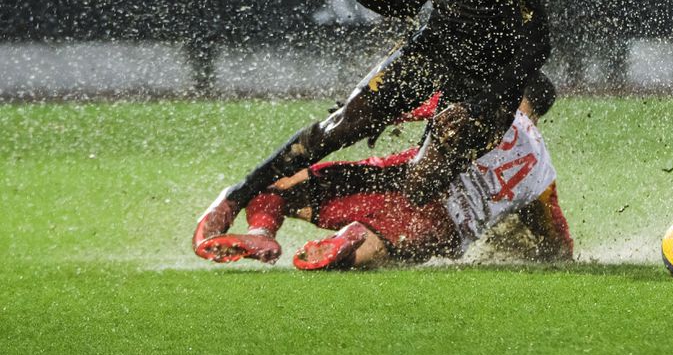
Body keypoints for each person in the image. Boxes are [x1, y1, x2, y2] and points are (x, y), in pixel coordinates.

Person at [195, 0, 551, 241]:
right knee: (339, 127)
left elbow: (537, 46)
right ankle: (236, 197)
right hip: (431, 53)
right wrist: (376, 1)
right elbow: (410, 3)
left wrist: (482, 105)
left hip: (485, 85)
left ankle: (348, 214)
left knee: (420, 183)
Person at [193, 73, 573, 269]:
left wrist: (368, 118)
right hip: (443, 225)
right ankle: (351, 241)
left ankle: (262, 232)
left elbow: (403, 106)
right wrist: (560, 259)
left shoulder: (480, 102)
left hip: (393, 176)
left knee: (282, 183)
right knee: (380, 244)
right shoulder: (542, 170)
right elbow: (554, 234)